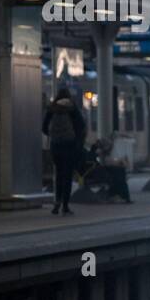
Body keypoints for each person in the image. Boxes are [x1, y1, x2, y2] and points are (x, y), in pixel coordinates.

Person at [43, 87, 86, 216]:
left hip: (56, 146)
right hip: (70, 146)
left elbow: (44, 127)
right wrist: (77, 142)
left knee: (59, 175)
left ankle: (57, 203)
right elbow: (81, 126)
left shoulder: (52, 109)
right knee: (67, 176)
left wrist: (53, 136)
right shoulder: (72, 109)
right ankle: (65, 206)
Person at [89, 135, 133, 204]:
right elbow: (106, 163)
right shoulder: (100, 152)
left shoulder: (104, 152)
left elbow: (109, 162)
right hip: (102, 172)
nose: (111, 147)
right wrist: (119, 162)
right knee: (119, 175)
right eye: (109, 146)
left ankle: (122, 196)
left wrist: (119, 163)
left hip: (106, 171)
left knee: (119, 173)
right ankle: (123, 196)